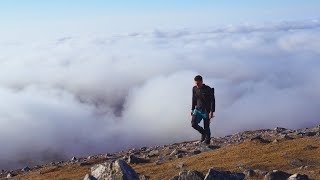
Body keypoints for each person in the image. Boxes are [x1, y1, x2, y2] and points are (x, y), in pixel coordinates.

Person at [191, 75, 215, 144]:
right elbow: (193, 99)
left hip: (206, 111)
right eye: (195, 83)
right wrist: (192, 109)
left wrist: (211, 111)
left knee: (206, 126)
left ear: (202, 82)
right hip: (197, 109)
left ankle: (207, 140)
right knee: (193, 124)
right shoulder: (194, 88)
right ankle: (204, 133)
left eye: (198, 83)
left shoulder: (208, 89)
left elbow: (212, 101)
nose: (196, 85)